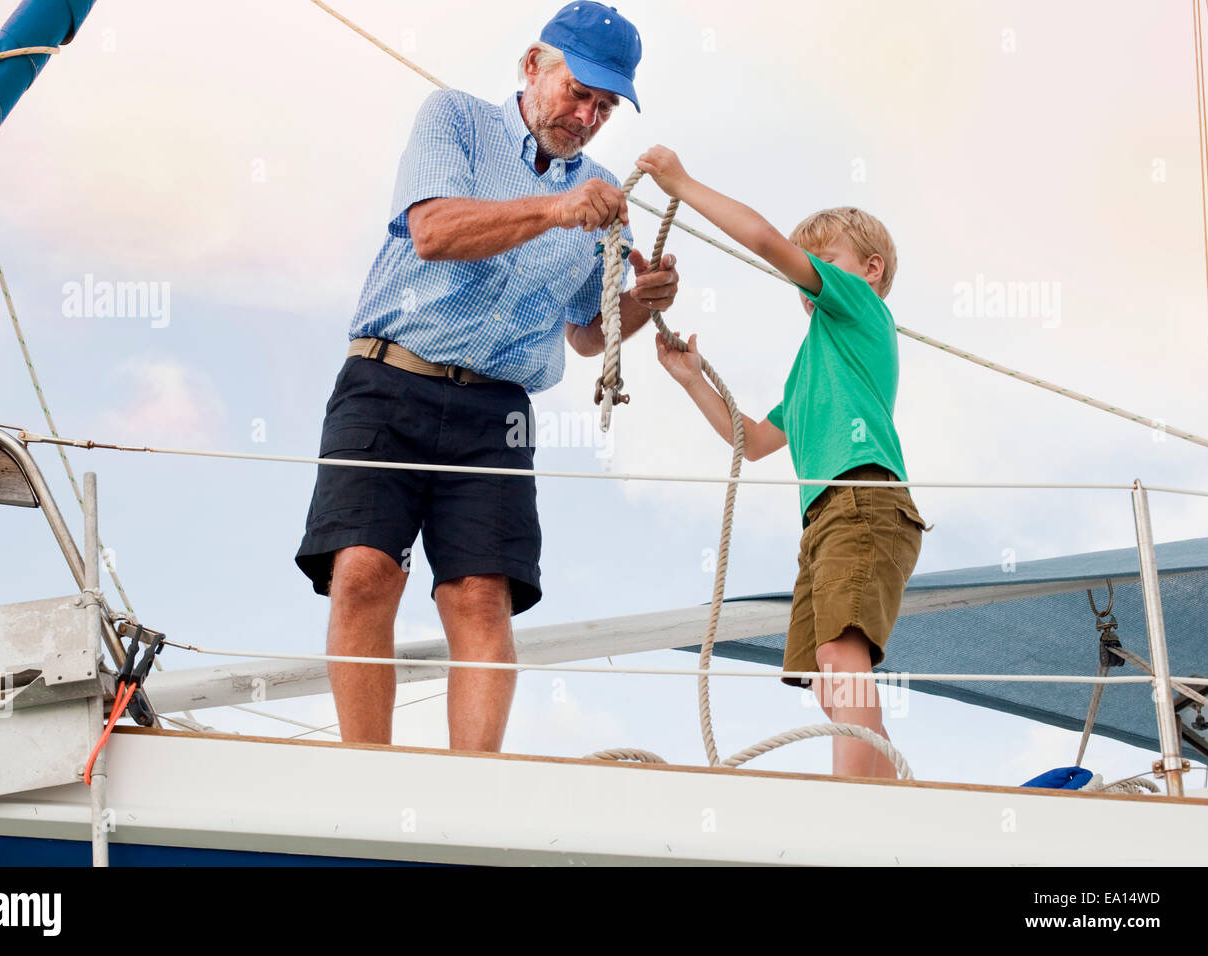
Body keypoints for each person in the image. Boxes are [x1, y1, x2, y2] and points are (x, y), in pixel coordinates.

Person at [295, 3, 679, 753]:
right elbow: (435, 231)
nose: (587, 114)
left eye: (604, 106)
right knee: (366, 571)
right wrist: (555, 208)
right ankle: (365, 778)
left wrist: (641, 304)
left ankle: (469, 796)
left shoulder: (607, 197)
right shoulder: (455, 119)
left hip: (497, 411)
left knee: (481, 596)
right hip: (388, 380)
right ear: (533, 65)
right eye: (578, 91)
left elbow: (586, 332)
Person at [636, 144, 930, 779]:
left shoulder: (858, 308)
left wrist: (682, 184)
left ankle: (856, 797)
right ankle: (881, 788)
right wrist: (691, 380)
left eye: (824, 259)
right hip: (826, 518)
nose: (808, 274)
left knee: (842, 656)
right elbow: (751, 439)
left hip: (864, 500)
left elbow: (768, 242)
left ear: (868, 270)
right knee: (831, 670)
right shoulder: (810, 368)